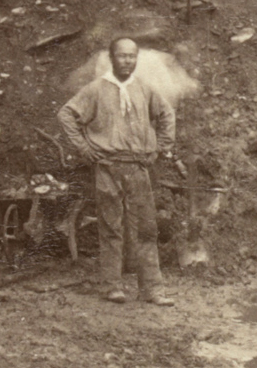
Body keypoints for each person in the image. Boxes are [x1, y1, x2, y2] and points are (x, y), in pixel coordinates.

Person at [58, 38, 176, 306]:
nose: (127, 61)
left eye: (132, 56)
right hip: (108, 167)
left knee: (146, 229)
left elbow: (166, 114)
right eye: (122, 56)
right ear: (112, 58)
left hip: (138, 167)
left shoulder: (145, 89)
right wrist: (84, 149)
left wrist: (161, 147)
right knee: (111, 228)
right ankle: (112, 286)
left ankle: (152, 289)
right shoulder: (96, 89)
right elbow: (66, 114)